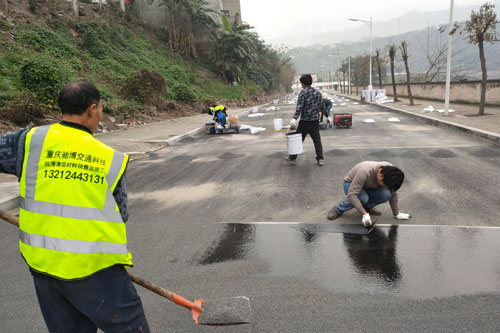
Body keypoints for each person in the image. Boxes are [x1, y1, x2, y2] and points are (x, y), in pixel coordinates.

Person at [0, 81, 150, 332]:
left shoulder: (28, 141)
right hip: (96, 271)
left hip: (44, 268)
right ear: (93, 109)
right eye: (101, 107)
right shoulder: (108, 158)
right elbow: (121, 213)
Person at [327, 161, 411, 227]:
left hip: (369, 187)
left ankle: (366, 207)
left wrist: (397, 214)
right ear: (381, 176)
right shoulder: (365, 171)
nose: (386, 188)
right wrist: (364, 214)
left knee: (387, 194)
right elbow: (352, 194)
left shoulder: (391, 172)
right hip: (350, 184)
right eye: (385, 186)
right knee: (363, 198)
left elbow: (393, 193)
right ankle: (338, 209)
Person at [283, 74, 324, 166]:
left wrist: (294, 118)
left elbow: (299, 107)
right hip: (314, 121)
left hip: (305, 121)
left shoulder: (303, 93)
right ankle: (320, 159)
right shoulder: (318, 93)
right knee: (317, 140)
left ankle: (292, 158)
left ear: (303, 83)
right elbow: (322, 106)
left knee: (298, 140)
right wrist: (323, 115)